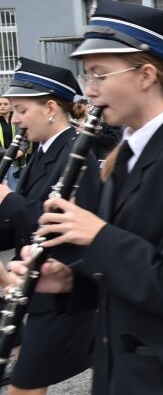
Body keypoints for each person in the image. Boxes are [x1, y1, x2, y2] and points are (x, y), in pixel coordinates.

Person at [21, 0, 163, 394]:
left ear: (146, 75)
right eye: (87, 76)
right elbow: (123, 273)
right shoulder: (123, 155)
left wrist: (96, 236)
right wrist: (68, 281)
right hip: (123, 368)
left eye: (99, 74)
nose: (90, 89)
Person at [0, 58, 101, 394]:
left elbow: (68, 224)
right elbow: (22, 221)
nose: (14, 120)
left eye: (20, 110)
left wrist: (7, 199)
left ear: (50, 108)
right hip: (35, 287)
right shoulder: (42, 151)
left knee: (24, 387)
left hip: (64, 295)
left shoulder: (75, 153)